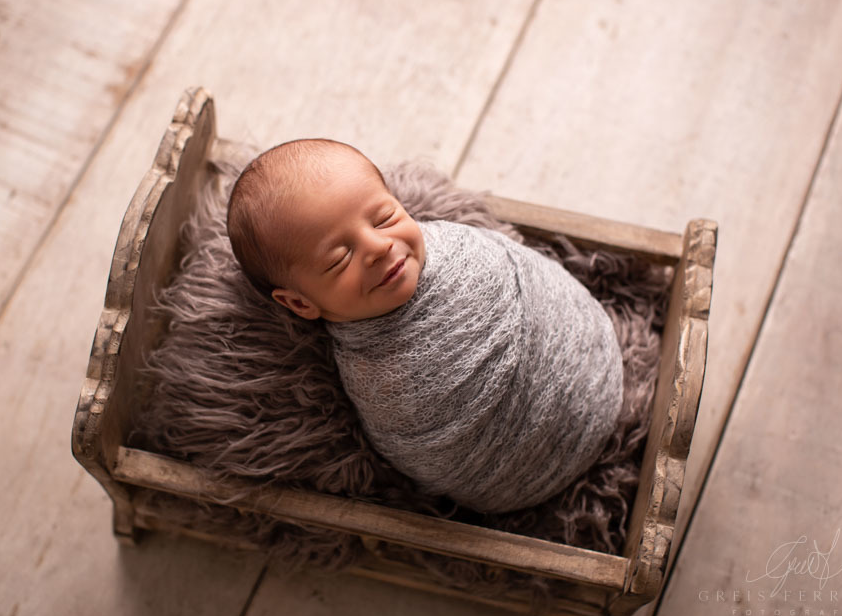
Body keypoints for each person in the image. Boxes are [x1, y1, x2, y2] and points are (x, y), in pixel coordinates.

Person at [227, 138, 623, 513]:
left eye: (385, 218)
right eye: (339, 259)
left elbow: (530, 271)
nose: (380, 246)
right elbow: (426, 452)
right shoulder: (379, 377)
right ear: (300, 302)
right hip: (518, 478)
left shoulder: (462, 248)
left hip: (594, 358)